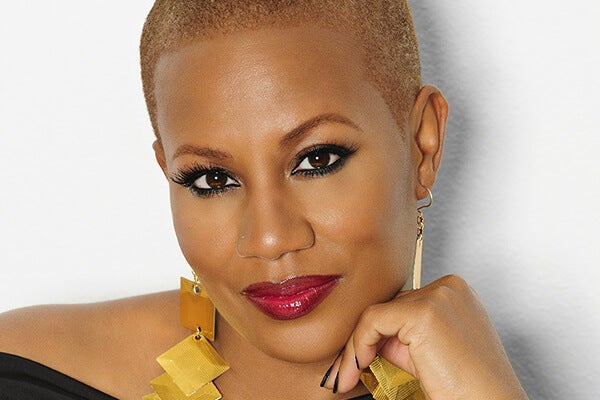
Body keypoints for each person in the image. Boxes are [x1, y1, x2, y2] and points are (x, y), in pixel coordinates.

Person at [0, 1, 529, 399]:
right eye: (211, 179)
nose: (270, 238)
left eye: (317, 160)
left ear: (421, 144)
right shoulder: (24, 371)